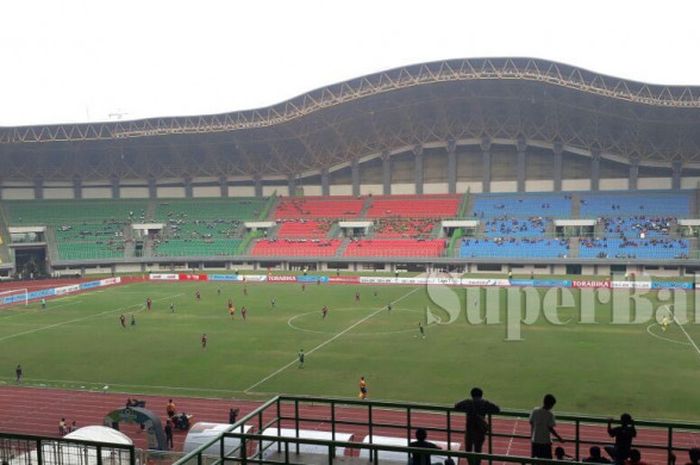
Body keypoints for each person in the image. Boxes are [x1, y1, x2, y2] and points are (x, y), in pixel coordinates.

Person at [454, 387, 501, 465]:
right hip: (480, 430)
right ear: (481, 395)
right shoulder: (485, 403)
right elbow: (497, 409)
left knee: (468, 450)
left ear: (471, 395)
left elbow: (456, 406)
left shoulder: (468, 402)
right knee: (478, 450)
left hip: (470, 430)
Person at [529, 394, 564, 459]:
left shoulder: (535, 411)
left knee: (534, 461)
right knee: (547, 461)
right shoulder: (550, 414)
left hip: (535, 441)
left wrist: (532, 435)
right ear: (551, 405)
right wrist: (559, 437)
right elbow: (550, 428)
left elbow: (531, 422)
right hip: (546, 443)